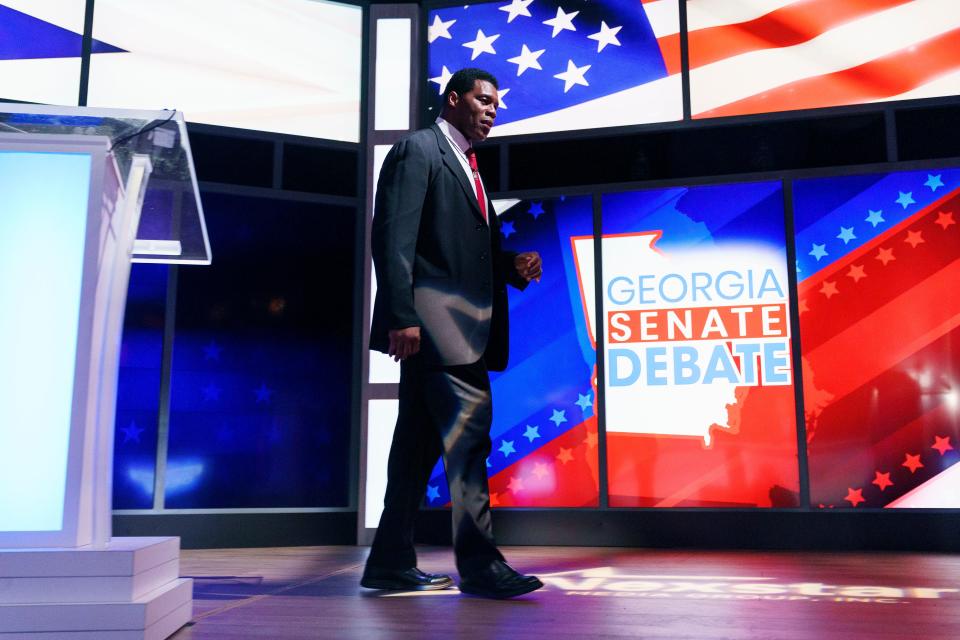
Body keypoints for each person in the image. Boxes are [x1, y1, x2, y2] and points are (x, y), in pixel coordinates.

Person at [362, 68, 544, 599]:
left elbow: (455, 252)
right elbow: (393, 237)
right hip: (437, 331)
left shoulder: (468, 164)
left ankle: (390, 563)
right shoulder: (419, 150)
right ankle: (482, 567)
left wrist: (511, 266)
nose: (492, 110)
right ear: (453, 99)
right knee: (467, 447)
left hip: (454, 331)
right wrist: (401, 315)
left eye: (496, 104)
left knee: (415, 453)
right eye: (483, 100)